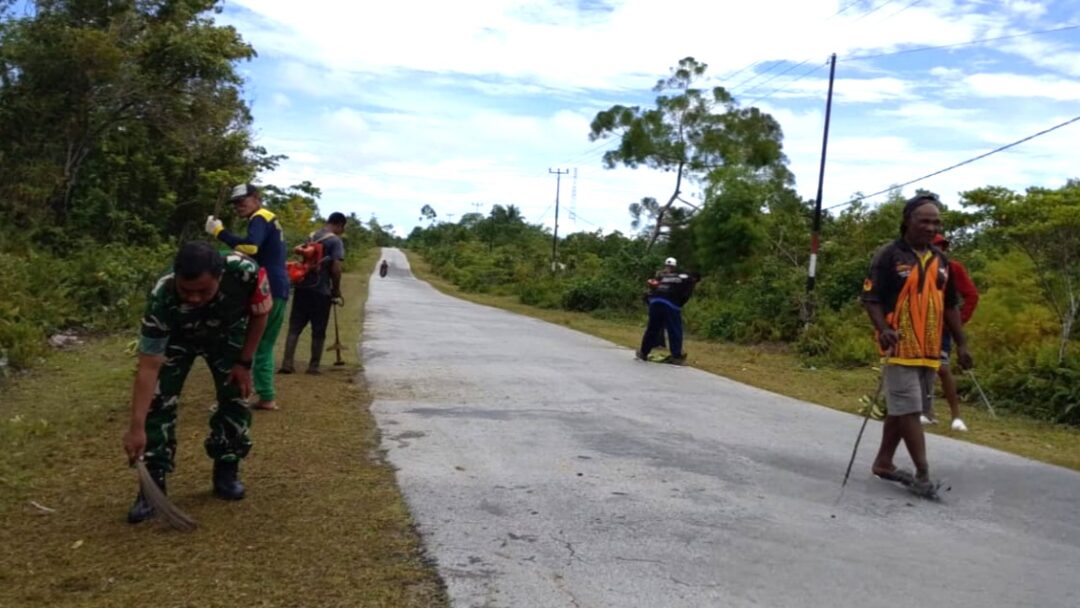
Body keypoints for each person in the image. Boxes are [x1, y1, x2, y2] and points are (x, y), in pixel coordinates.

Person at [123, 242, 271, 523]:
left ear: (220, 276)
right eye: (186, 290)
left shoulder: (244, 272)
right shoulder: (162, 294)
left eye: (203, 291)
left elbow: (261, 312)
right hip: (178, 338)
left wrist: (244, 363)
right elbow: (148, 366)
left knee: (235, 398)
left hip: (227, 334)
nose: (193, 298)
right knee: (159, 400)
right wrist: (136, 427)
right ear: (176, 277)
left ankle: (227, 469)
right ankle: (152, 487)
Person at [861, 195, 973, 496]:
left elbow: (950, 306)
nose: (930, 226)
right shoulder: (889, 255)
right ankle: (923, 474)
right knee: (910, 409)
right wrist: (883, 329)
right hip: (898, 348)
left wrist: (961, 343)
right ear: (907, 220)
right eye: (924, 220)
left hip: (930, 349)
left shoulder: (941, 260)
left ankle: (884, 462)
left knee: (903, 410)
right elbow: (870, 299)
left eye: (935, 221)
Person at [205, 184, 288, 411]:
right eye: (235, 203)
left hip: (265, 287)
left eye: (243, 200)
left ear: (256, 198)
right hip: (279, 286)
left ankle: (234, 396)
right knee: (264, 344)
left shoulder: (260, 218)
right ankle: (267, 396)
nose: (239, 206)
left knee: (243, 342)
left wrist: (219, 232)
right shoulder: (271, 219)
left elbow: (250, 248)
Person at [279, 212, 347, 375]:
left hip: (302, 287)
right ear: (339, 225)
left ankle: (287, 363)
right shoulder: (335, 241)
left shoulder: (311, 236)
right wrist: (336, 289)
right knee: (319, 329)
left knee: (295, 327)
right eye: (342, 228)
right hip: (321, 291)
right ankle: (313, 366)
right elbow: (336, 269)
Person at [927, 233, 980, 431]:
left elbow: (971, 295)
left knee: (941, 367)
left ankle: (956, 416)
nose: (940, 250)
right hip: (919, 325)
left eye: (943, 247)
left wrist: (958, 322)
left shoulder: (952, 267)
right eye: (936, 246)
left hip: (942, 328)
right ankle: (927, 412)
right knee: (922, 369)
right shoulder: (917, 266)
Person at [635, 257, 698, 365]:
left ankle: (643, 352)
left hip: (655, 302)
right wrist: (678, 305)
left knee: (652, 328)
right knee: (675, 330)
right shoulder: (689, 280)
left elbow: (653, 288)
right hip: (670, 304)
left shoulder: (664, 276)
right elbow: (685, 296)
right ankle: (676, 356)